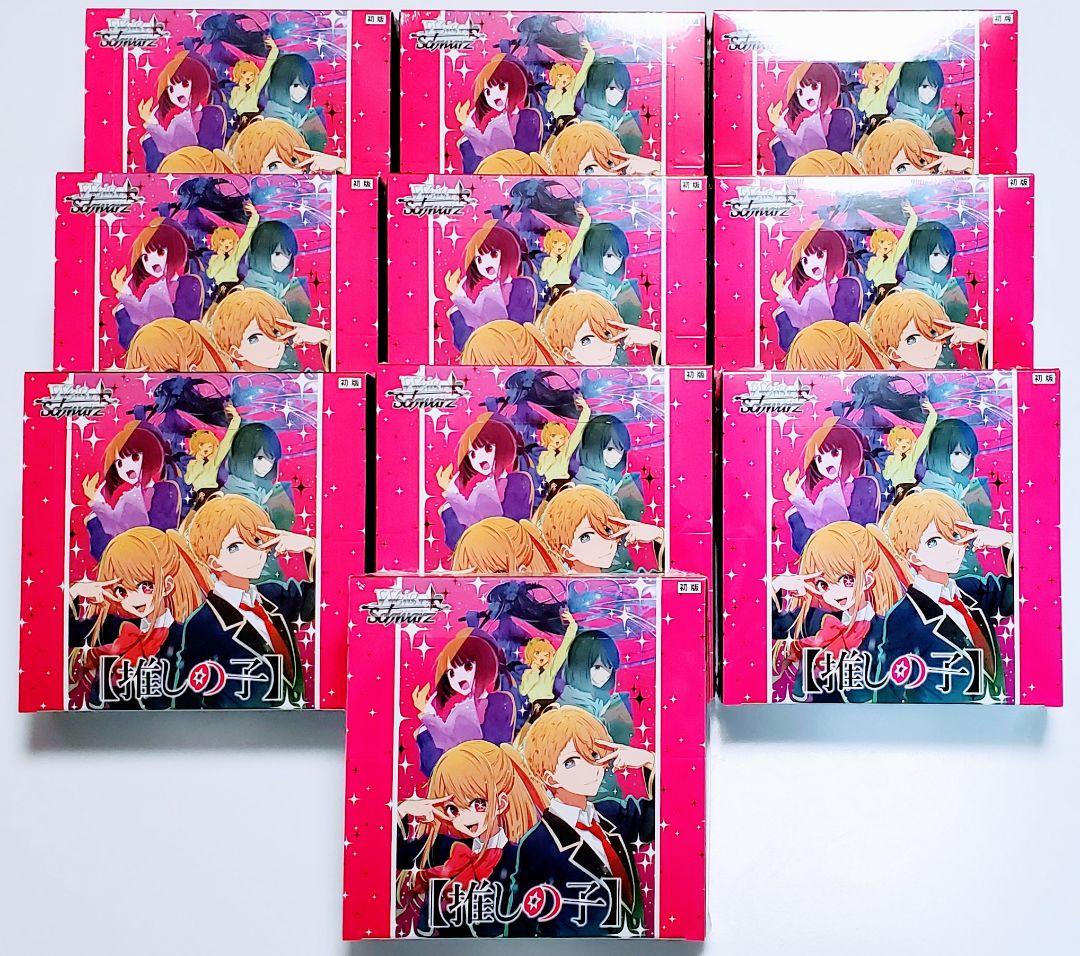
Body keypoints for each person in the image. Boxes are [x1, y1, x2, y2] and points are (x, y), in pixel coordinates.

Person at [511, 707, 655, 936]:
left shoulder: (612, 813)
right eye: (571, 762)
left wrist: (649, 762)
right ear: (550, 777)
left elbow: (662, 818)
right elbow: (522, 921)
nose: (590, 768)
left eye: (594, 756)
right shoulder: (539, 842)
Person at [876, 490, 1012, 703]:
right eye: (933, 541)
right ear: (913, 556)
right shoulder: (904, 616)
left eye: (955, 535)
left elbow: (1022, 592)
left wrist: (1007, 541)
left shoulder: (973, 590)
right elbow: (888, 691)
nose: (951, 547)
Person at [179, 494, 313, 707]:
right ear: (214, 562)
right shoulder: (203, 622)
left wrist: (310, 545)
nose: (253, 552)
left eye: (257, 541)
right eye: (234, 547)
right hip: (237, 725)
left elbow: (323, 596)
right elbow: (189, 697)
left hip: (295, 720)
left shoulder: (274, 596)